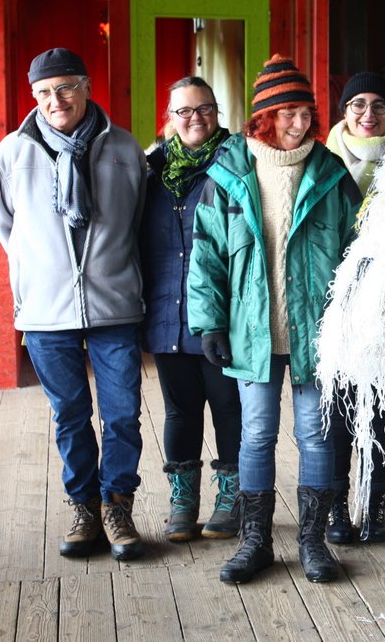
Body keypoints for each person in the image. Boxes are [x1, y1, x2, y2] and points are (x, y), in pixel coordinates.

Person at [188, 55, 361, 585]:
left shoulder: (332, 175)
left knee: (316, 434)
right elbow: (207, 256)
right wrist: (210, 323)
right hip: (251, 332)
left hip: (317, 334)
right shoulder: (228, 175)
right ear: (264, 118)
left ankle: (312, 542)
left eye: (305, 112)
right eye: (287, 113)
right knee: (257, 434)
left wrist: (356, 324)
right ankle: (256, 541)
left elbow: (359, 254)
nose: (299, 123)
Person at [0, 48, 147, 561]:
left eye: (65, 88)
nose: (55, 100)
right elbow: (8, 232)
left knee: (122, 414)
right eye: (43, 93)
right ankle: (84, 508)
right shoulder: (11, 154)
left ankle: (117, 504)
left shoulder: (124, 148)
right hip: (45, 310)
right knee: (70, 415)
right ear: (34, 97)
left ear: (86, 87)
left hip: (114, 305)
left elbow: (137, 223)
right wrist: (37, 277)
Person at [141, 76, 242, 543]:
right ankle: (183, 500)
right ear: (169, 116)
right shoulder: (151, 169)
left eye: (204, 108)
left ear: (216, 111)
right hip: (165, 307)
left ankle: (231, 498)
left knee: (227, 405)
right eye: (184, 110)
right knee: (180, 410)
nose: (195, 118)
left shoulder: (237, 161)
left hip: (222, 311)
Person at [323, 71, 385, 544]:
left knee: (380, 409)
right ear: (344, 112)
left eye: (378, 105)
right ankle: (334, 509)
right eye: (357, 105)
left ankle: (374, 505)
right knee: (336, 412)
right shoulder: (323, 160)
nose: (368, 115)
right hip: (333, 301)